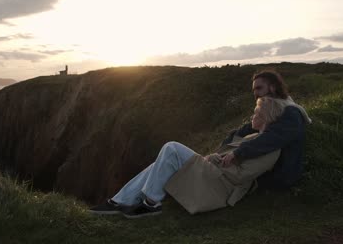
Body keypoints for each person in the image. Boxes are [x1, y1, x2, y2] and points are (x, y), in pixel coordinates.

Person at [90, 70, 311, 218]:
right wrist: (220, 152)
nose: (254, 94)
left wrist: (237, 153)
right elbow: (245, 130)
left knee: (171, 147)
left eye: (258, 89)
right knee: (162, 159)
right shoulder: (274, 111)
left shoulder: (289, 113)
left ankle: (151, 203)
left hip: (275, 178)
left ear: (272, 88)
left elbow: (271, 140)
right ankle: (118, 202)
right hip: (225, 172)